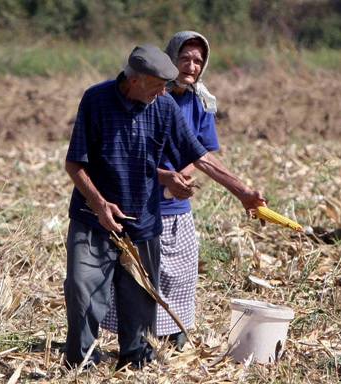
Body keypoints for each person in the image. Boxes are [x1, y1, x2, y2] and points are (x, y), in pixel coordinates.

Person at [64, 44, 264, 370]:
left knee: (140, 298)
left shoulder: (164, 105)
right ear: (137, 79)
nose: (163, 91)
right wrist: (99, 204)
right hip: (93, 219)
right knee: (82, 291)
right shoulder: (96, 100)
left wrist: (242, 192)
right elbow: (75, 164)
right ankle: (81, 363)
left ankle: (134, 361)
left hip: (142, 220)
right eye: (158, 84)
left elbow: (199, 155)